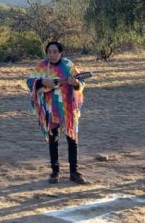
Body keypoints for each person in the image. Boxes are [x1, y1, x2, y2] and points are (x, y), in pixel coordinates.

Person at [27, 41, 88, 185]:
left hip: (68, 108)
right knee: (53, 140)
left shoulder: (68, 65)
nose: (52, 54)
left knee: (72, 139)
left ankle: (74, 172)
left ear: (60, 52)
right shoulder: (43, 66)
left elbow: (81, 82)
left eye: (55, 51)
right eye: (49, 52)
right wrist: (43, 82)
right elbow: (29, 81)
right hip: (51, 108)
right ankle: (55, 172)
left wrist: (76, 84)